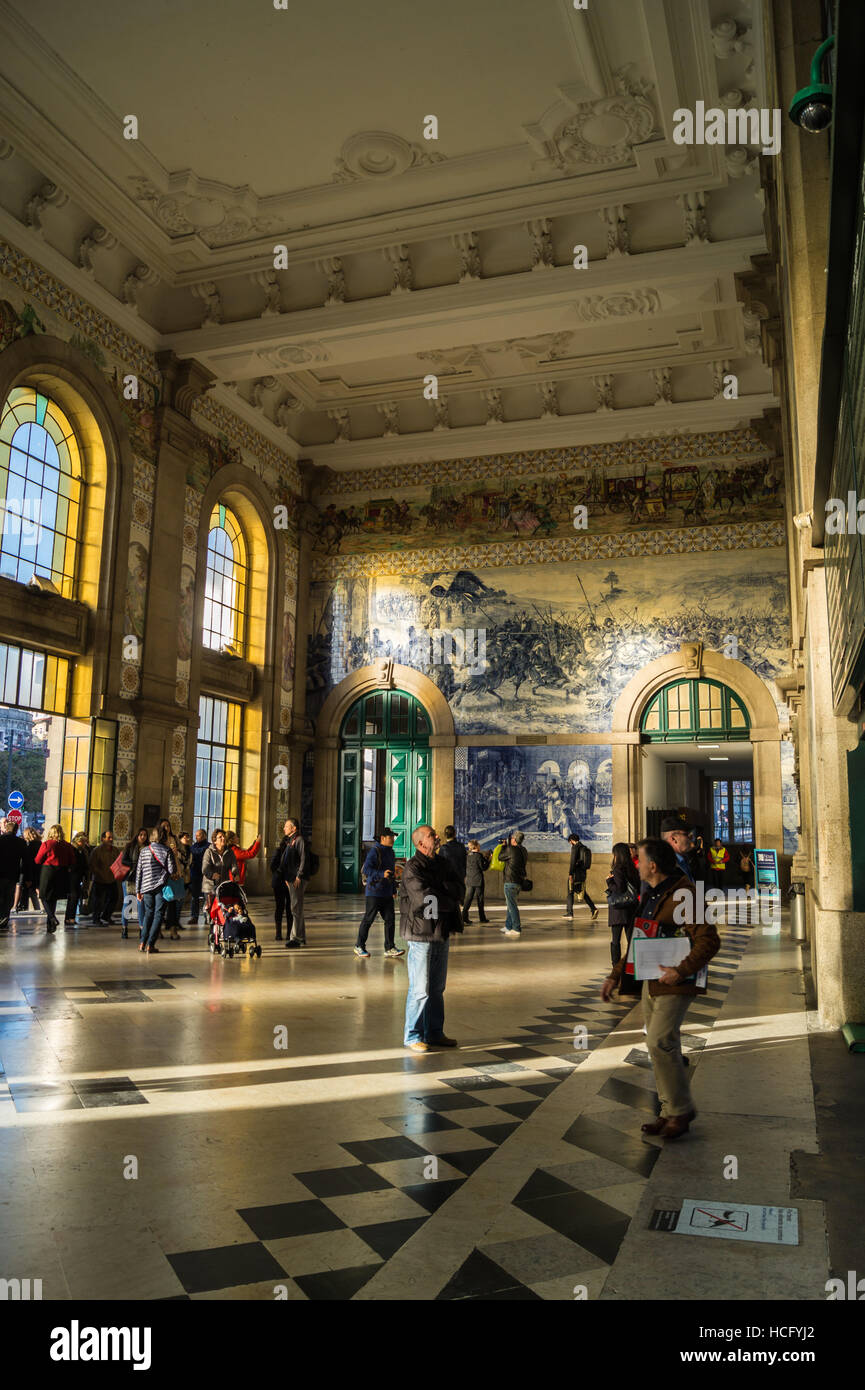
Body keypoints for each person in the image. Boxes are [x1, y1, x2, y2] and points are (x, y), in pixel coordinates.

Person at [601, 837, 720, 1140]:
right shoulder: (652, 894)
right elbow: (640, 939)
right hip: (651, 980)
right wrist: (615, 975)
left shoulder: (684, 895)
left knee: (659, 1042)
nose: (636, 864)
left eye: (639, 859)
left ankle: (680, 1110)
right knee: (662, 1046)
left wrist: (681, 971)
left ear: (653, 865)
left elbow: (709, 939)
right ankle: (669, 1111)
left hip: (674, 982)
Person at [399, 824, 463, 1052]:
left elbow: (459, 889)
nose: (436, 837)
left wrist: (443, 893)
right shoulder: (412, 868)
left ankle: (434, 1032)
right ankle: (412, 1035)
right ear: (420, 843)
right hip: (420, 934)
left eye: (435, 834)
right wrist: (447, 899)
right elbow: (424, 901)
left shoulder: (443, 863)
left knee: (437, 988)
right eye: (431, 835)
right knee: (420, 988)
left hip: (441, 931)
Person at [355, 828, 404, 958]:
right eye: (390, 837)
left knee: (390, 920)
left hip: (387, 892)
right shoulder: (374, 851)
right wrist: (381, 874)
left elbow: (391, 873)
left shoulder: (391, 852)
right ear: (383, 838)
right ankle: (359, 946)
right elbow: (366, 869)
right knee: (368, 919)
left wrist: (393, 889)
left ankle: (389, 947)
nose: (393, 839)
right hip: (374, 892)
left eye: (393, 837)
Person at [135, 825, 177, 955]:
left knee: (148, 914)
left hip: (146, 888)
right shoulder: (167, 850)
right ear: (164, 836)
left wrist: (138, 890)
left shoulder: (144, 851)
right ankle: (150, 945)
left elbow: (139, 872)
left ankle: (142, 942)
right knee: (158, 915)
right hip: (160, 887)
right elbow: (172, 870)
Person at [35, 824, 76, 933]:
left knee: (43, 896)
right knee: (53, 898)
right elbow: (72, 861)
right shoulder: (67, 845)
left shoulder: (47, 844)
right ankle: (50, 926)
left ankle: (52, 918)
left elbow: (38, 860)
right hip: (62, 873)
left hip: (48, 871)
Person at [605, 841, 641, 968]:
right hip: (631, 907)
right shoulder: (633, 868)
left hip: (619, 909)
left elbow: (620, 888)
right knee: (631, 938)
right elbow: (638, 886)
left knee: (616, 940)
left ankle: (616, 966)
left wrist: (609, 881)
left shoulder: (618, 868)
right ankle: (633, 963)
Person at [278, 817, 308, 948]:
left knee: (295, 907)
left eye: (286, 826)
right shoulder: (290, 840)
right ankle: (301, 936)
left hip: (297, 879)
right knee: (296, 907)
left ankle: (296, 938)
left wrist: (299, 876)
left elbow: (303, 858)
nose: (284, 828)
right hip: (291, 878)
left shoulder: (299, 840)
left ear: (294, 828)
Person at [201, 829, 238, 917]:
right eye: (220, 837)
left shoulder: (229, 852)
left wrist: (235, 874)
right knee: (211, 910)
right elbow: (205, 868)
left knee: (223, 909)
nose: (223, 839)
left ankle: (221, 927)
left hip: (223, 885)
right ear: (214, 840)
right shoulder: (209, 852)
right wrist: (212, 874)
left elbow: (234, 866)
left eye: (224, 837)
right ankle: (211, 924)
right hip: (210, 886)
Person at [121, 828, 149, 939]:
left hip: (142, 879)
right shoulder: (130, 846)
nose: (143, 837)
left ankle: (142, 928)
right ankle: (124, 928)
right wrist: (135, 864)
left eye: (145, 835)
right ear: (137, 835)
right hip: (130, 878)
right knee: (127, 903)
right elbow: (123, 860)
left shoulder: (148, 848)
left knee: (140, 904)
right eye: (141, 835)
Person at [500, 829, 528, 938]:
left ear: (515, 840)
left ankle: (516, 928)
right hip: (518, 881)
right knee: (510, 904)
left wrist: (504, 846)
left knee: (512, 905)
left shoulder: (511, 850)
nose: (510, 839)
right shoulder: (524, 850)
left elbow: (500, 857)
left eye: (511, 838)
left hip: (510, 881)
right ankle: (508, 926)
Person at [564, 832, 598, 921]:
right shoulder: (584, 848)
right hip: (582, 874)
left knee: (570, 892)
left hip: (575, 874)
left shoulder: (575, 848)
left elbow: (572, 862)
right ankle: (593, 909)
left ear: (571, 841)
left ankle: (569, 913)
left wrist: (570, 874)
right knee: (582, 892)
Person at [158, 819, 182, 939]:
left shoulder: (174, 839)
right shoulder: (157, 841)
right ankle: (158, 929)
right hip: (162, 875)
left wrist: (176, 853)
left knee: (172, 903)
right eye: (164, 826)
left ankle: (173, 929)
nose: (167, 828)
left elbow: (180, 855)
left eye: (168, 826)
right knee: (161, 903)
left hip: (174, 874)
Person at [88, 829, 118, 925]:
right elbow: (92, 865)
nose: (111, 839)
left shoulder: (115, 850)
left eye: (111, 837)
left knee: (114, 897)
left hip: (111, 879)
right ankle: (96, 918)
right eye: (108, 837)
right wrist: (99, 874)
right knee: (98, 900)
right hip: (100, 879)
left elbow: (118, 862)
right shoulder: (97, 851)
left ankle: (106, 915)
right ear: (103, 839)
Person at [0, 817, 25, 933]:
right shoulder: (21, 842)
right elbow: (25, 861)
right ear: (16, 830)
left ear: (6, 829)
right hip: (12, 874)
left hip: (1, 873)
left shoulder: (1, 839)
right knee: (9, 896)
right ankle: (5, 917)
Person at [269, 828, 293, 942]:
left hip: (289, 883)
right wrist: (282, 874)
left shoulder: (293, 852)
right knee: (280, 907)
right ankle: (278, 933)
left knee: (289, 908)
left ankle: (289, 934)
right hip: (279, 883)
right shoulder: (278, 851)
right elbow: (272, 866)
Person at [66, 831, 92, 928]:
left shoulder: (83, 850)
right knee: (73, 897)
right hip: (72, 876)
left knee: (75, 897)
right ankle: (70, 918)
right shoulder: (73, 849)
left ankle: (70, 917)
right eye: (83, 842)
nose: (84, 844)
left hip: (79, 876)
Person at [13, 826, 41, 913]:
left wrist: (28, 877)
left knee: (26, 888)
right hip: (38, 871)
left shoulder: (29, 846)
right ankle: (38, 908)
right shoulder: (40, 844)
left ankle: (18, 906)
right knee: (33, 890)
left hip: (30, 871)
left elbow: (27, 861)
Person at [463, 839, 490, 924]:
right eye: (478, 844)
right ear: (476, 846)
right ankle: (482, 918)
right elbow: (483, 868)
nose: (480, 846)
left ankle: (464, 917)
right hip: (478, 881)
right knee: (480, 900)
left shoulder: (467, 855)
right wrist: (488, 860)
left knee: (468, 899)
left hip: (469, 880)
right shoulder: (479, 856)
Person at [437, 825, 467, 898]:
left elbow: (440, 864)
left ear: (445, 835)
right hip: (459, 876)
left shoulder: (443, 848)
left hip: (448, 879)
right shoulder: (461, 846)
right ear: (455, 834)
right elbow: (465, 861)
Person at [188, 828, 208, 924]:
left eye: (198, 835)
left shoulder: (208, 846)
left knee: (206, 897)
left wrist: (192, 850)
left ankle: (207, 916)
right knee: (194, 897)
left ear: (204, 836)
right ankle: (194, 916)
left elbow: (200, 852)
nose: (196, 837)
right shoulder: (193, 846)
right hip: (195, 875)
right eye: (196, 835)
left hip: (205, 876)